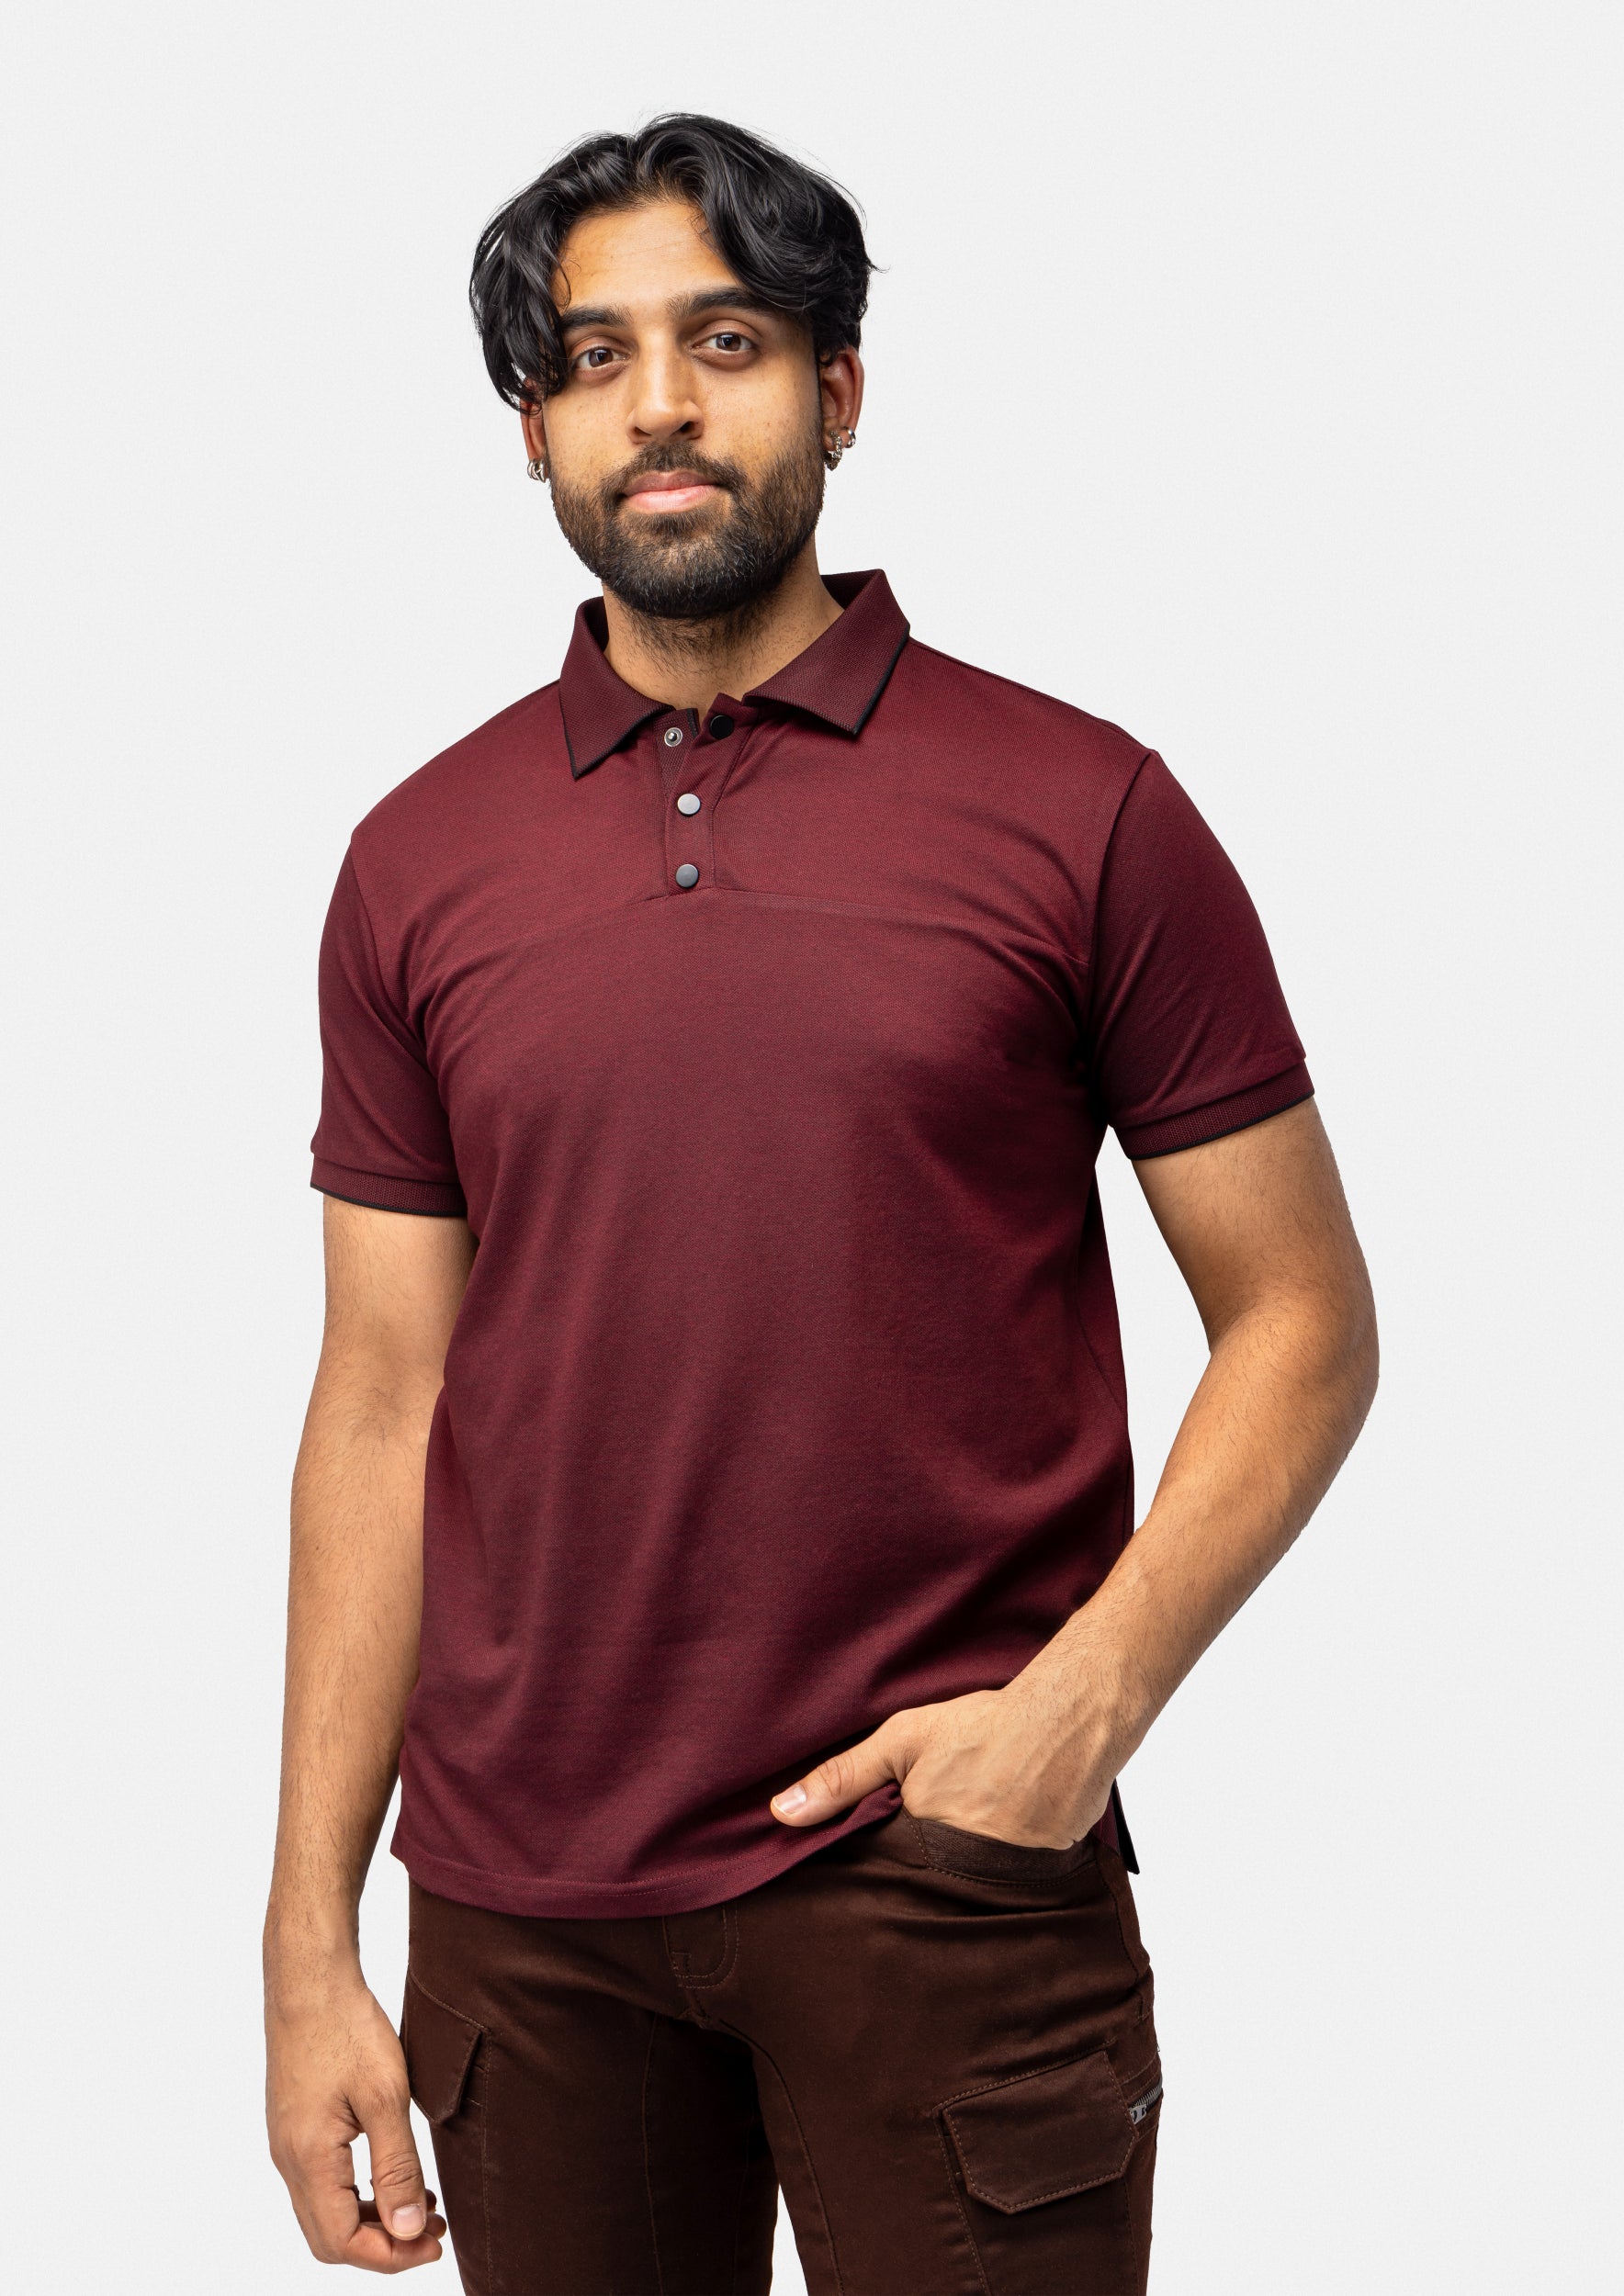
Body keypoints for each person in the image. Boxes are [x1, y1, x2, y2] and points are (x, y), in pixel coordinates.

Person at [262, 114, 1377, 2293]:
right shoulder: (415, 861)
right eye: (595, 358)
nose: (660, 405)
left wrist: (1077, 1710)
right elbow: (381, 1402)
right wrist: (309, 1942)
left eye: (728, 341)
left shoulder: (1084, 809)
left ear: (836, 392)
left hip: (943, 1876)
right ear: (533, 429)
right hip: (522, 1915)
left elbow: (1301, 1316)